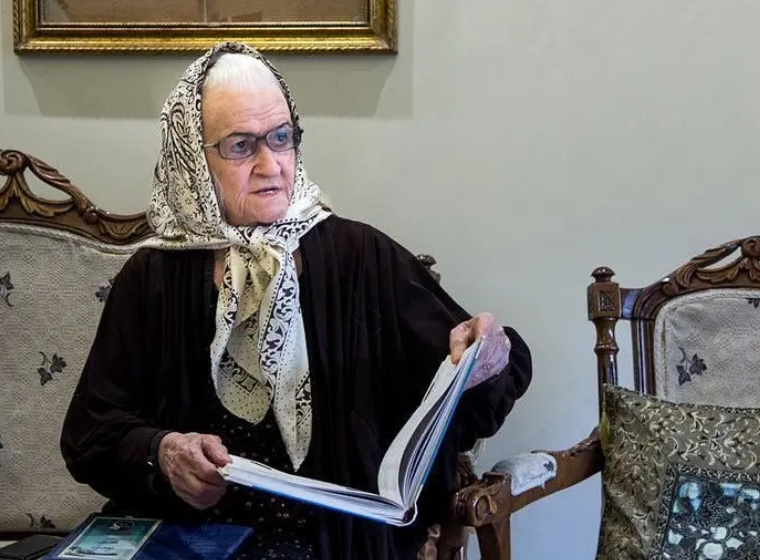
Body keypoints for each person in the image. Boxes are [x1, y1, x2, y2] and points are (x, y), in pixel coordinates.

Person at [60, 41, 532, 560]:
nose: (270, 165)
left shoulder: (362, 258)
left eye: (282, 138)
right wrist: (162, 452)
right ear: (193, 158)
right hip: (188, 541)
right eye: (241, 145)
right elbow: (91, 434)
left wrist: (489, 355)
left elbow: (477, 386)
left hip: (334, 546)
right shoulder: (153, 277)